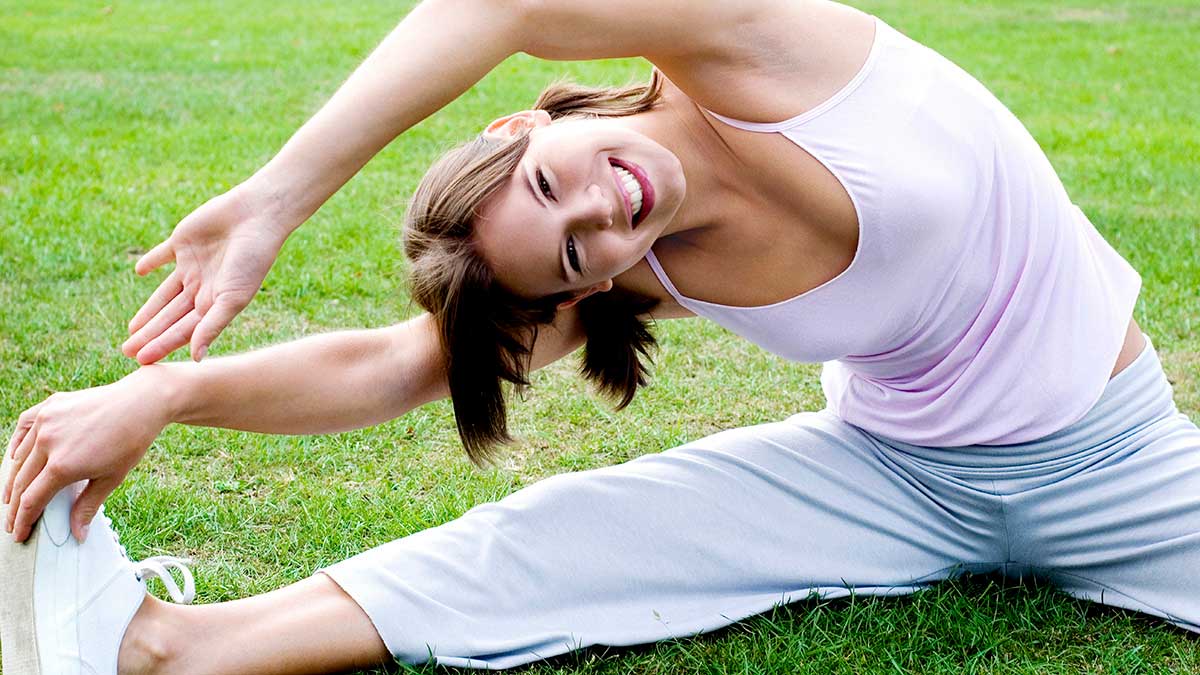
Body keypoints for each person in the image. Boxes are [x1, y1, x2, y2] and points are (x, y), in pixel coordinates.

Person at [1, 0, 1196, 672]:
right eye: (575, 252)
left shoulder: (751, 47)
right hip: (894, 476)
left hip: (1114, 465)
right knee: (564, 534)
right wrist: (162, 396)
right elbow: (404, 363)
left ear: (532, 121)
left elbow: (506, 3)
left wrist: (274, 200)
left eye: (549, 184)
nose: (599, 211)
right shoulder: (647, 260)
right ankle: (166, 650)